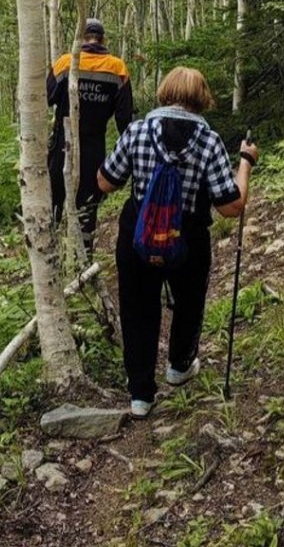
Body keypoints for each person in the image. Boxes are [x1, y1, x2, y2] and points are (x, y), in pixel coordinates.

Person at [97, 66, 259, 418]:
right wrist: (245, 163)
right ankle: (179, 366)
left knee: (138, 310)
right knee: (189, 300)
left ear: (164, 92)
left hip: (138, 232)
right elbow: (231, 206)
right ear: (201, 98)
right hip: (187, 235)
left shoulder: (137, 131)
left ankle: (140, 395)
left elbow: (107, 182)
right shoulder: (209, 141)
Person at [47, 18, 134, 251]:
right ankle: (84, 257)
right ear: (102, 39)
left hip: (62, 142)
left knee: (54, 196)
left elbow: (47, 97)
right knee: (88, 201)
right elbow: (125, 119)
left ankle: (49, 252)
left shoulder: (65, 62)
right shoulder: (118, 68)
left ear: (80, 37)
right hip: (94, 145)